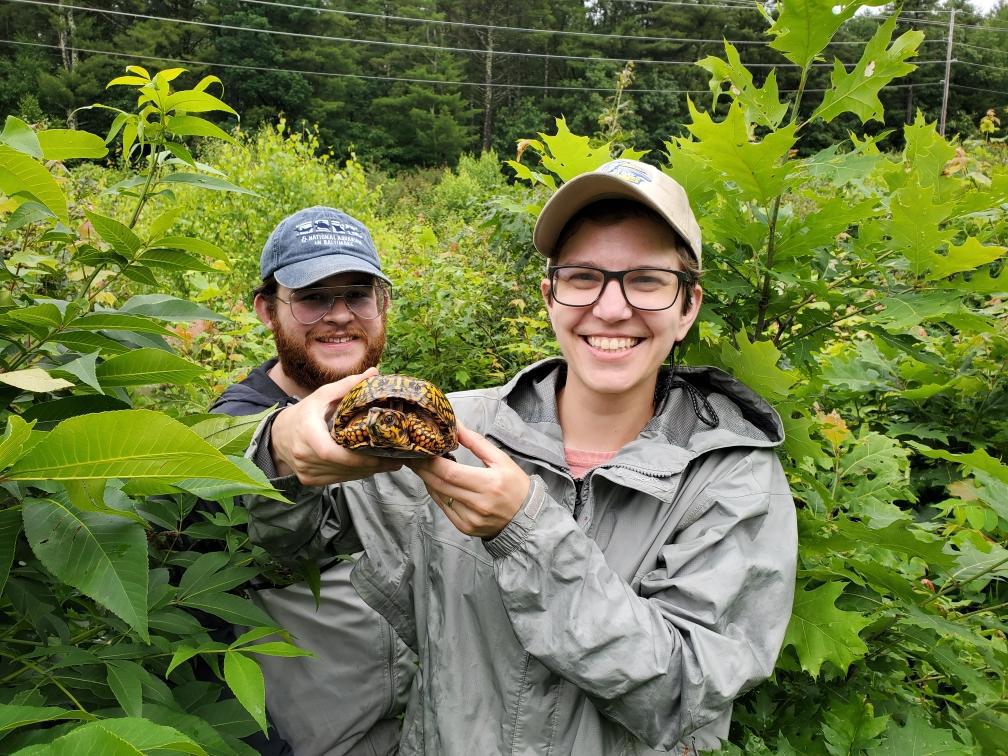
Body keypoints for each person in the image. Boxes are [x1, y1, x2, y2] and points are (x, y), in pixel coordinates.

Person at [244, 161, 798, 754]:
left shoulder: (730, 476)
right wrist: (279, 456)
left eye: (647, 280)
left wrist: (525, 532)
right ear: (550, 297)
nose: (611, 308)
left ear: (687, 305)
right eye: (584, 277)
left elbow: (686, 691)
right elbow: (283, 548)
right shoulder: (449, 431)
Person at [210, 206, 414, 756]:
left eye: (358, 294)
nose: (340, 315)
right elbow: (253, 446)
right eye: (313, 297)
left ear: (383, 305)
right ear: (266, 311)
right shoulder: (232, 422)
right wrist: (281, 448)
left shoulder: (385, 409)